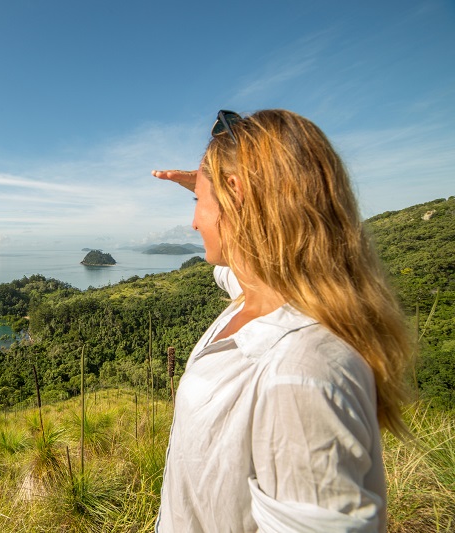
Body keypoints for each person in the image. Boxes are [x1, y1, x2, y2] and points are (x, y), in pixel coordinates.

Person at [152, 109, 413, 532]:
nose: (194, 220)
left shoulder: (302, 372)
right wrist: (206, 188)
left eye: (199, 203)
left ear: (236, 197)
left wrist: (220, 197)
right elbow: (240, 268)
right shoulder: (258, 297)